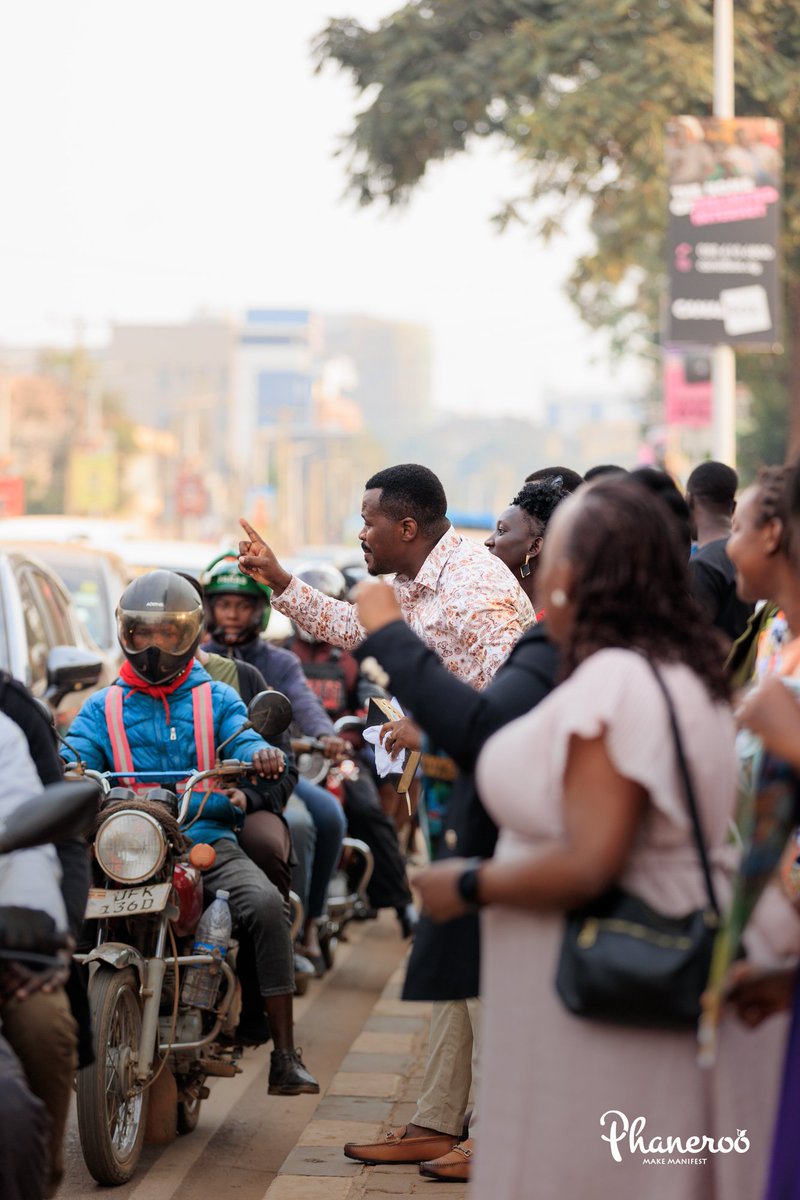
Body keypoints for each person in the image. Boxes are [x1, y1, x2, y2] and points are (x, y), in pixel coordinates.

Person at [415, 478, 783, 1200]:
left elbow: (592, 859)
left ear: (579, 569)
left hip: (602, 1006)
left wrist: (464, 885)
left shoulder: (617, 680)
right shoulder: (674, 671)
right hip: (595, 1000)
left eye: (557, 546)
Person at [238, 462, 534, 1172]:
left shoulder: (475, 591)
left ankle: (495, 1134)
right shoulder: (416, 578)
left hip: (497, 796)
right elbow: (353, 626)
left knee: (482, 965)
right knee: (450, 960)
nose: (360, 532)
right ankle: (438, 1117)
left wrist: (424, 729)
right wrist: (280, 582)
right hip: (451, 792)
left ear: (406, 527)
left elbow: (512, 712)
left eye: (368, 520)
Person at [62, 570, 318, 1095]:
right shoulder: (102, 705)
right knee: (61, 905)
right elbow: (75, 754)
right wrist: (61, 765)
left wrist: (260, 755)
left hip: (204, 837)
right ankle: (64, 1032)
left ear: (191, 634)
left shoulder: (215, 698)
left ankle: (285, 1055)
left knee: (269, 907)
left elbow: (243, 737)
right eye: (142, 633)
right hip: (126, 842)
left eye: (168, 634)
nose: (154, 646)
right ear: (125, 634)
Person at [200, 555, 350, 962]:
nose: (232, 614)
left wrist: (323, 734)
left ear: (261, 612)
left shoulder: (279, 662)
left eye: (243, 605)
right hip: (202, 776)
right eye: (224, 604)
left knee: (318, 819)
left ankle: (303, 928)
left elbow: (302, 702)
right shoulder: (193, 658)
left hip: (267, 774)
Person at [286, 563, 419, 930]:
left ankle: (402, 904)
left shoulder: (354, 655)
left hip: (341, 758)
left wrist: (363, 725)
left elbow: (373, 697)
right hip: (292, 755)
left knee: (369, 810)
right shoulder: (282, 654)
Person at [0, 710, 76, 1199]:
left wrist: (33, 925)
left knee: (46, 1027)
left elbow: (26, 830)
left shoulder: (5, 730)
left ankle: (43, 1180)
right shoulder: (105, 704)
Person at [686, 460, 754, 643]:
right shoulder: (750, 554)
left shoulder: (701, 564)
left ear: (689, 500)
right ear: (733, 507)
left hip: (718, 669)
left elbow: (697, 639)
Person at [484, 476, 565, 613]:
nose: (488, 541)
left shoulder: (556, 616)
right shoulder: (491, 596)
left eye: (501, 531)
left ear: (534, 547)